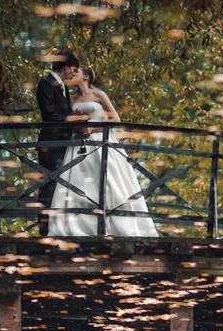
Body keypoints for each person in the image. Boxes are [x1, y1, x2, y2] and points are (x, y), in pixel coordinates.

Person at [45, 65, 158, 238]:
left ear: (86, 77)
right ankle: (77, 226)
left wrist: (92, 129)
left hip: (101, 142)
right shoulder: (70, 99)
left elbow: (115, 118)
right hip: (77, 145)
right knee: (77, 184)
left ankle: (115, 225)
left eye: (77, 72)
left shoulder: (98, 95)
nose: (73, 74)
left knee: (109, 182)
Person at [35, 50, 82, 236]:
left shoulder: (64, 88)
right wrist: (72, 122)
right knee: (48, 184)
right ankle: (44, 229)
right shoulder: (46, 84)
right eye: (73, 68)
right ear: (64, 66)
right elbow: (49, 114)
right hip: (51, 145)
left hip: (64, 144)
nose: (74, 73)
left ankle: (59, 227)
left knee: (61, 185)